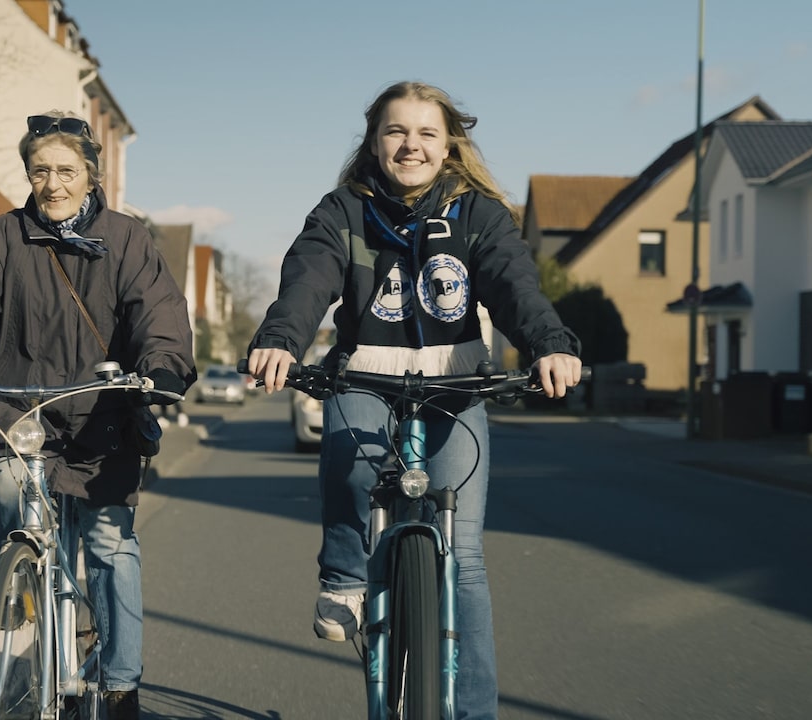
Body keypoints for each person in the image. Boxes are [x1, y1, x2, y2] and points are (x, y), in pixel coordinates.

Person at [246, 81, 582, 719]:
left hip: (457, 384)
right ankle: (345, 577)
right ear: (374, 141)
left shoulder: (478, 212)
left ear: (448, 143)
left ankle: (472, 711)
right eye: (397, 131)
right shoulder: (343, 208)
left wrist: (548, 345)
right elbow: (309, 275)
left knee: (467, 558)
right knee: (349, 463)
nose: (411, 145)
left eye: (427, 133)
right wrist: (281, 340)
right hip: (367, 375)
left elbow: (514, 282)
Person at [0, 111, 195, 720]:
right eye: (40, 172)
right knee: (8, 481)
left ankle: (119, 685)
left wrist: (162, 366)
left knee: (110, 543)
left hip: (101, 413)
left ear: (90, 173)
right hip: (19, 404)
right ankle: (22, 570)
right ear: (28, 176)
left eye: (65, 170)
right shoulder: (2, 237)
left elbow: (156, 314)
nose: (52, 184)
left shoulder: (126, 238)